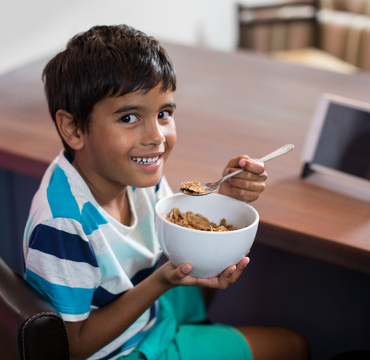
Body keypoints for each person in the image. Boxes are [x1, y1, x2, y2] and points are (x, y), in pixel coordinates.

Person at [23, 24, 309, 360]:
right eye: (129, 117)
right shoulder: (64, 224)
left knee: (205, 306)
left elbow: (178, 228)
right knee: (294, 347)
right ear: (73, 128)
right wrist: (161, 282)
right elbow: (72, 346)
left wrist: (226, 198)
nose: (157, 136)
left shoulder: (135, 171)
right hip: (124, 351)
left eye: (164, 114)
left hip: (149, 311)